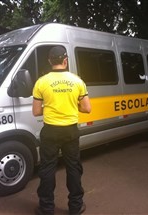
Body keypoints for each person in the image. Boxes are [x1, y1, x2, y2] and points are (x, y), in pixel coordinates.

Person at [32, 45, 91, 215]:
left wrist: (50, 107)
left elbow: (36, 111)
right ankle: (75, 207)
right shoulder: (77, 81)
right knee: (73, 167)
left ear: (50, 61)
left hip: (50, 131)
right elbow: (87, 108)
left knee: (47, 169)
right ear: (65, 60)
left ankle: (46, 208)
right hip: (70, 132)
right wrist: (71, 105)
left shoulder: (41, 82)